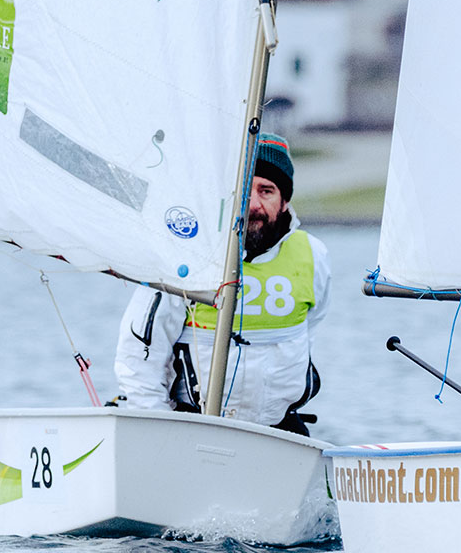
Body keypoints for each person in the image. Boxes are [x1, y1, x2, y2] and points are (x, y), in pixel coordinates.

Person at [112, 135, 329, 433]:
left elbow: (308, 331)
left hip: (279, 430)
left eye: (266, 191)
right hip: (195, 425)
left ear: (284, 201)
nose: (253, 204)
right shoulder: (186, 255)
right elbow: (139, 355)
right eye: (244, 189)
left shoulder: (314, 255)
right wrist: (156, 428)